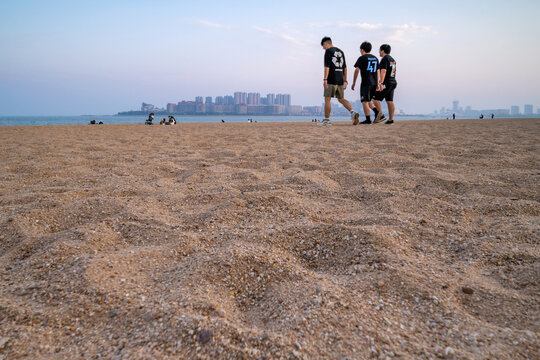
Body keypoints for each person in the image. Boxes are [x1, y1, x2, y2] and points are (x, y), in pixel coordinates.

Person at [320, 37, 360, 126]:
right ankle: (352, 112)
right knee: (341, 99)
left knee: (327, 99)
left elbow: (327, 67)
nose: (323, 48)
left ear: (326, 43)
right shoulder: (341, 52)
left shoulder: (328, 51)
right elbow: (345, 67)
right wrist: (345, 80)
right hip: (340, 79)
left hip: (331, 79)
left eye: (323, 46)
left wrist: (325, 79)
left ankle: (326, 120)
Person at [352, 41, 380, 125]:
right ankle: (377, 112)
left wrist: (354, 83)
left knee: (364, 101)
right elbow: (378, 70)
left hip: (366, 82)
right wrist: (378, 83)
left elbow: (357, 69)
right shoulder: (375, 58)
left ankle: (368, 119)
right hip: (374, 83)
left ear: (362, 50)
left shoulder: (362, 58)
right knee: (368, 100)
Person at [373, 44, 397, 124]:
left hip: (386, 83)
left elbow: (383, 71)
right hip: (393, 81)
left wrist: (381, 83)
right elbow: (394, 72)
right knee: (389, 101)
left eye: (380, 50)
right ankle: (390, 120)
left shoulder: (384, 59)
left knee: (375, 99)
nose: (379, 52)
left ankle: (380, 116)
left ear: (383, 51)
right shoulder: (392, 60)